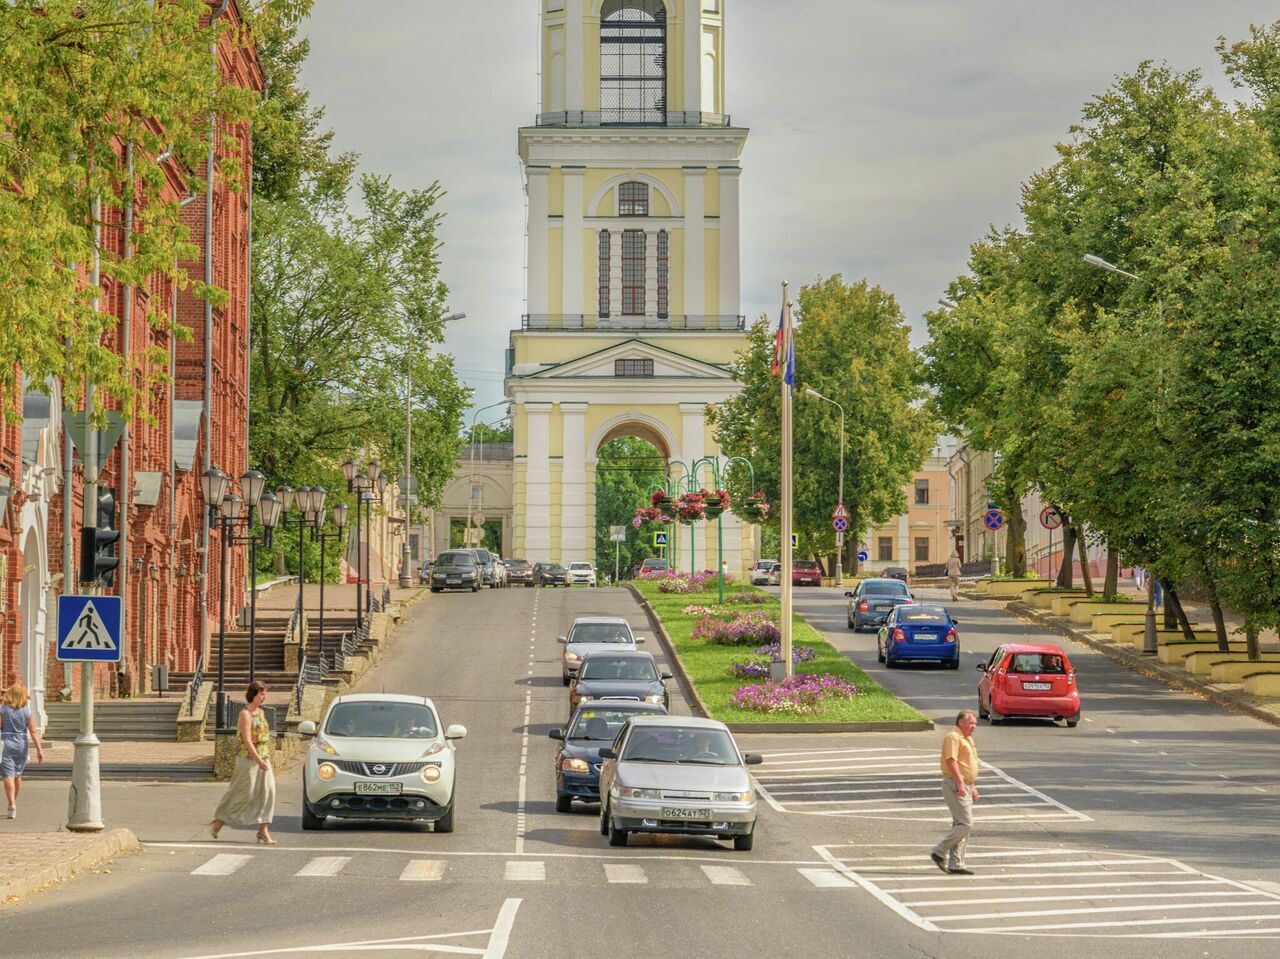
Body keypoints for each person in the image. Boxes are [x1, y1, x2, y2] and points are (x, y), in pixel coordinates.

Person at [209, 680, 277, 844]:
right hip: (248, 759)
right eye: (261, 694)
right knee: (242, 793)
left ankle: (263, 831)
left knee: (269, 792)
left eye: (264, 693)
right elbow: (247, 740)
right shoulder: (245, 714)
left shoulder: (261, 712)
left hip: (264, 756)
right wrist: (258, 759)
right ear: (253, 695)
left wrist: (263, 758)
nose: (264, 697)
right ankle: (219, 821)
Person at [931, 709, 979, 875]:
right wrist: (959, 781)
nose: (973, 726)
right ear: (961, 723)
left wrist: (971, 785)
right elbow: (951, 761)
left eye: (975, 723)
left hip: (965, 784)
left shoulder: (967, 739)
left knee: (961, 824)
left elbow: (967, 763)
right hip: (954, 783)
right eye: (971, 723)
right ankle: (939, 851)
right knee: (966, 823)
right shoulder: (953, 737)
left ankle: (956, 863)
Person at [1, 679, 45, 819]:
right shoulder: (27, 711)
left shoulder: (3, 709)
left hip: (6, 742)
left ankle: (11, 803)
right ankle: (13, 801)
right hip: (21, 743)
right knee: (18, 774)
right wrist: (39, 749)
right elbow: (33, 731)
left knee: (8, 774)